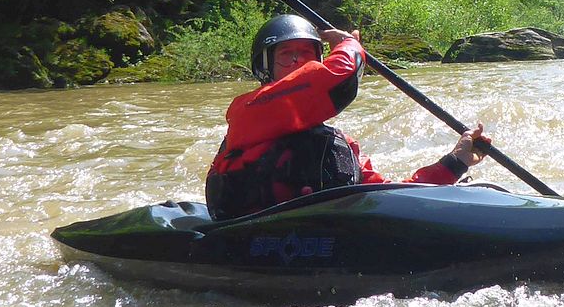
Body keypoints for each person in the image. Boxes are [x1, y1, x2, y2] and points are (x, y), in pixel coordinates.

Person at [205, 14, 488, 219]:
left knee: (325, 144)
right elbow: (334, 78)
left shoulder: (335, 147)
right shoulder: (248, 111)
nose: (298, 62)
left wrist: (455, 163)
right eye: (287, 55)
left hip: (324, 237)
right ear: (265, 66)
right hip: (255, 235)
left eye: (306, 54)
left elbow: (390, 197)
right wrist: (350, 45)